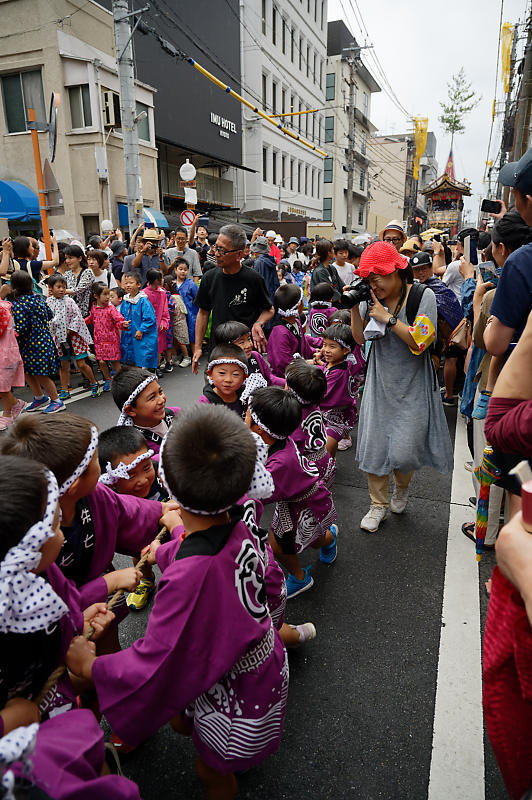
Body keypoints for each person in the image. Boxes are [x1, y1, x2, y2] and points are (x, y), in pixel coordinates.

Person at [65, 404, 288, 799]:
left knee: (211, 770)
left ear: (168, 483)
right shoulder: (241, 524)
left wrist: (94, 666)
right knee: (191, 728)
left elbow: (158, 658)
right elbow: (201, 553)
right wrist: (170, 536)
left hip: (233, 685)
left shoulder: (190, 577)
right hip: (264, 662)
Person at [0, 414, 174, 660]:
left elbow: (126, 510)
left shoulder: (93, 493)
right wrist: (108, 583)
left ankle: (106, 677)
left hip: (97, 589)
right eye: (94, 461)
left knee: (106, 639)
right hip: (56, 619)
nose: (102, 468)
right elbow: (53, 599)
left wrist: (162, 510)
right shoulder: (31, 545)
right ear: (74, 482)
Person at [0, 454, 116, 730]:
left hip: (53, 692)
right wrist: (7, 722)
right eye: (54, 524)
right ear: (29, 551)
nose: (62, 528)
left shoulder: (37, 575)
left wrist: (74, 627)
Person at [350, 241, 453, 532]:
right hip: (379, 383)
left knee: (406, 449)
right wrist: (355, 309)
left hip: (414, 385)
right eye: (369, 278)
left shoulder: (423, 296)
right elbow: (359, 339)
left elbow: (421, 341)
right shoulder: (368, 297)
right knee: (375, 446)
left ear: (398, 271)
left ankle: (401, 487)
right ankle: (377, 505)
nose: (374, 283)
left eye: (378, 276)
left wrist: (388, 318)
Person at [246, 386, 338, 598]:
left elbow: (255, 492)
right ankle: (329, 537)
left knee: (278, 547)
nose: (244, 418)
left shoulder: (279, 464)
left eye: (248, 416)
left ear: (259, 429)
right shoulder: (280, 438)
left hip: (301, 505)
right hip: (307, 498)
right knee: (313, 537)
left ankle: (300, 577)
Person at [98, 425, 166, 612]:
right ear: (111, 479)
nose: (143, 480)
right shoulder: (112, 499)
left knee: (173, 559)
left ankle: (176, 584)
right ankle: (147, 581)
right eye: (130, 474)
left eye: (145, 468)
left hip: (169, 530)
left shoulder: (162, 470)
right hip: (139, 538)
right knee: (140, 560)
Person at [192, 224, 274, 369]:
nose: (217, 253)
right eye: (216, 248)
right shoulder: (209, 278)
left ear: (239, 255)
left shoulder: (253, 279)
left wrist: (258, 323)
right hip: (218, 352)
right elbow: (203, 313)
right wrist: (197, 347)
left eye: (222, 250)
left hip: (245, 354)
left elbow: (269, 309)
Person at [409, 251, 464, 405]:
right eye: (417, 269)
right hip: (417, 337)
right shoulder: (410, 288)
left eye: (424, 268)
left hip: (439, 337)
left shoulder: (439, 287)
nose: (420, 273)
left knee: (437, 365)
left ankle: (439, 395)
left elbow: (452, 310)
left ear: (431, 268)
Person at [9, 271, 64, 415]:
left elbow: (21, 328)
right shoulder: (39, 299)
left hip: (31, 344)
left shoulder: (18, 305)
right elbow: (50, 314)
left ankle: (57, 401)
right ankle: (40, 398)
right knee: (29, 372)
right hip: (43, 340)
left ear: (14, 286)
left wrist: (10, 331)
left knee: (39, 374)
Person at [46, 275, 100, 400]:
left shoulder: (69, 301)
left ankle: (94, 383)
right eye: (58, 287)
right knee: (63, 365)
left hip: (74, 337)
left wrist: (69, 330)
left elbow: (77, 316)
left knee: (81, 364)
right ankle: (65, 389)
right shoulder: (48, 302)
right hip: (59, 338)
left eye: (64, 287)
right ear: (51, 288)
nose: (61, 290)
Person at [285, 357, 335, 489]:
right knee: (321, 497)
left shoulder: (294, 415)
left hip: (309, 465)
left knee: (304, 503)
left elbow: (294, 448)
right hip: (325, 459)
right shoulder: (313, 404)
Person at [111, 366, 181, 458]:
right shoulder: (136, 447)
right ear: (130, 410)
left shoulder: (175, 414)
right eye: (152, 397)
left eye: (160, 392)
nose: (161, 400)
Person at [319, 323, 365, 457]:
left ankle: (328, 467)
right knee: (326, 446)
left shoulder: (339, 371)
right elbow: (325, 370)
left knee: (327, 447)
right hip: (333, 413)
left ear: (345, 350)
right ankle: (330, 465)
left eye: (332, 346)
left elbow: (324, 394)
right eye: (324, 344)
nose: (326, 350)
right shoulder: (337, 363)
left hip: (338, 418)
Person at [267, 284, 322, 377]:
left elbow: (304, 346)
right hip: (288, 378)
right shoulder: (279, 332)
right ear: (299, 304)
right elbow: (282, 363)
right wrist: (305, 363)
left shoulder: (296, 322)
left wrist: (316, 351)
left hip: (300, 370)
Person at [85, 282, 129, 392]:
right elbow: (91, 318)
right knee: (101, 362)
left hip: (111, 340)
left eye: (108, 294)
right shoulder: (94, 307)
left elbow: (118, 320)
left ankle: (122, 381)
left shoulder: (111, 308)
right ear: (96, 296)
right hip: (99, 340)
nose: (108, 297)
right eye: (105, 294)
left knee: (115, 362)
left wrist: (122, 324)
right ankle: (108, 380)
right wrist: (81, 322)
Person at [213, 320, 285, 386]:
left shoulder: (255, 356)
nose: (248, 345)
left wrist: (288, 383)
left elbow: (270, 378)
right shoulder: (226, 367)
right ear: (226, 347)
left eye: (249, 339)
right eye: (242, 342)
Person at [119, 271, 159, 370]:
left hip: (140, 334)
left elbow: (149, 319)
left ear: (138, 284)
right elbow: (121, 316)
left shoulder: (143, 301)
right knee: (129, 360)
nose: (128, 285)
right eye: (126, 283)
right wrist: (122, 323)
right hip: (128, 333)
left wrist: (141, 330)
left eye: (131, 283)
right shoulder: (125, 300)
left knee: (140, 358)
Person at [198, 343, 248, 417]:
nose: (228, 380)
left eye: (235, 374)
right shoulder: (205, 403)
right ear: (210, 374)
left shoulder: (246, 395)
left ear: (244, 377)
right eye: (222, 373)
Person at [0, 291, 25, 429]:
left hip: (4, 353)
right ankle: (15, 404)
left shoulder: (1, 308)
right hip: (6, 351)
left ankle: (7, 414)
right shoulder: (4, 306)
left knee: (3, 387)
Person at [172, 256, 198, 365]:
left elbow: (197, 299)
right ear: (175, 270)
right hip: (177, 315)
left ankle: (194, 356)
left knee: (192, 335)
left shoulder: (191, 284)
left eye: (185, 269)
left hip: (191, 313)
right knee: (178, 335)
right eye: (180, 269)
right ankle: (178, 355)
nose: (183, 272)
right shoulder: (172, 284)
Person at [143, 268, 171, 371]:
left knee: (158, 348)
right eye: (161, 278)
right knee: (149, 347)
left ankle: (156, 367)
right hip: (148, 325)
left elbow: (165, 309)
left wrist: (164, 321)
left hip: (159, 325)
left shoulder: (162, 293)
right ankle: (150, 367)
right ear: (156, 280)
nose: (162, 280)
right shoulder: (144, 293)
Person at [250, 236, 280, 319]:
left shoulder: (259, 262)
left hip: (263, 300)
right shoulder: (270, 260)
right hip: (271, 296)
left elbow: (258, 283)